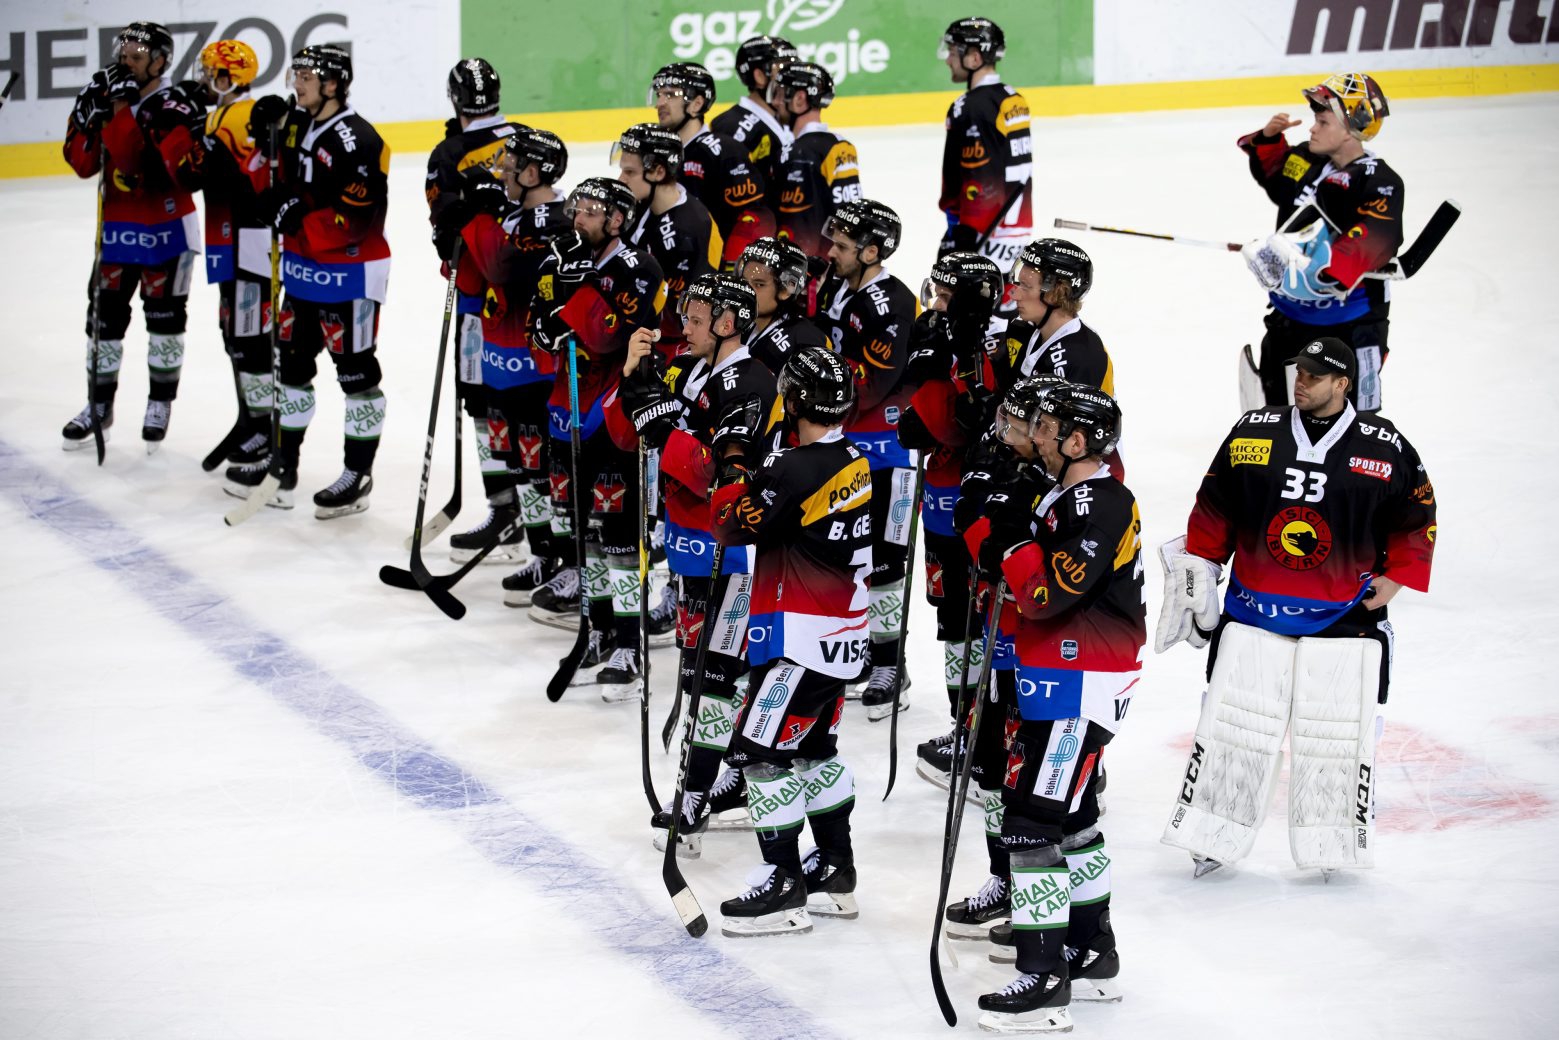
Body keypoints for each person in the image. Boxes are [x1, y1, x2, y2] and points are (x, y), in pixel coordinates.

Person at [1157, 336, 1435, 876]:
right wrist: (1202, 568)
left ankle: (1334, 835)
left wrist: (1397, 579)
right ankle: (1213, 832)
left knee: (1336, 732)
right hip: (1253, 608)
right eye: (1298, 372)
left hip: (1345, 615)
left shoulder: (1384, 446)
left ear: (1344, 384)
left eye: (1314, 375)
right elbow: (1214, 502)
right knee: (1232, 726)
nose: (1300, 382)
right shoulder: (1254, 430)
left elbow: (1417, 513)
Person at [962, 382, 1143, 1032]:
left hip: (1079, 681)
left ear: (1076, 441)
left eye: (1046, 426)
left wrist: (1010, 543)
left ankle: (1043, 978)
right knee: (1072, 819)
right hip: (1062, 676)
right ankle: (1090, 950)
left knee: (1030, 822)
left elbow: (1042, 592)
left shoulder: (1100, 501)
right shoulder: (1066, 493)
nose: (1033, 432)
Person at [710, 344, 871, 937]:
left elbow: (727, 521)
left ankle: (784, 884)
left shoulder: (792, 468)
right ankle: (834, 867)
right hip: (841, 640)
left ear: (795, 399)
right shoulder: (852, 460)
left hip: (798, 643)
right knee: (813, 751)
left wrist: (731, 465)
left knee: (758, 752)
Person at [618, 274, 774, 844]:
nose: (683, 327)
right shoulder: (688, 369)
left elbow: (713, 471)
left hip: (733, 555)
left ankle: (698, 791)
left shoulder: (753, 384)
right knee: (696, 667)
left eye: (696, 318)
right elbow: (631, 430)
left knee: (713, 675)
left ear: (728, 323)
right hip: (689, 548)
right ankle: (721, 775)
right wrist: (634, 380)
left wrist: (659, 421)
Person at [227, 45, 391, 518]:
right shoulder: (296, 123)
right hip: (300, 274)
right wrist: (263, 147)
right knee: (292, 370)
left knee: (358, 375)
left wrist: (297, 218)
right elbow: (270, 184)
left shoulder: (357, 139)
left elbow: (355, 221)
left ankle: (357, 476)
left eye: (307, 75)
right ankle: (284, 467)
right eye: (295, 72)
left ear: (334, 84)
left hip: (350, 278)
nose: (296, 82)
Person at [527, 177, 667, 687]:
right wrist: (550, 314)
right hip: (567, 403)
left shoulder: (639, 268)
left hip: (612, 411)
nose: (577, 218)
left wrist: (576, 299)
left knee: (618, 532)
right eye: (577, 208)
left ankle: (630, 643)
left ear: (616, 220)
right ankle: (600, 626)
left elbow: (613, 338)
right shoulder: (557, 258)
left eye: (590, 211)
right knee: (581, 525)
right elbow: (538, 327)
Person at [447, 125, 573, 602]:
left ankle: (567, 559)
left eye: (511, 162)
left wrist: (478, 219)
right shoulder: (516, 216)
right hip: (501, 363)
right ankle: (542, 554)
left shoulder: (556, 222)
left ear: (534, 171)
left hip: (537, 370)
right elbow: (478, 275)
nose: (501, 169)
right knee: (521, 467)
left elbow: (506, 271)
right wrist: (455, 235)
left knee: (545, 470)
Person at [892, 252, 1008, 772]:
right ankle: (966, 727)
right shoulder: (936, 334)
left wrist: (943, 399)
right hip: (940, 505)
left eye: (944, 295)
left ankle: (996, 736)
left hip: (979, 507)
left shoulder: (1003, 347)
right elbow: (920, 412)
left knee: (987, 621)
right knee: (952, 621)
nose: (934, 304)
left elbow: (972, 424)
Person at [61, 22, 200, 453]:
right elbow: (83, 164)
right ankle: (99, 405)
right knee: (103, 322)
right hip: (118, 231)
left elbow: (135, 162)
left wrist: (119, 108)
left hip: (167, 231)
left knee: (165, 323)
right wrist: (86, 117)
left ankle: (160, 403)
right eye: (125, 53)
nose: (127, 60)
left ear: (160, 62)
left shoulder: (175, 104)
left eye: (138, 55)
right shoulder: (107, 95)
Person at [140, 39, 272, 465]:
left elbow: (189, 174)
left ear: (227, 77)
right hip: (235, 240)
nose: (203, 79)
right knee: (237, 335)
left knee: (249, 339)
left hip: (246, 244)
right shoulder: (228, 114)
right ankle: (249, 417)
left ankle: (262, 425)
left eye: (210, 71)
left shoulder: (235, 117)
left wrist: (175, 130)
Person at [1238, 73, 1403, 410]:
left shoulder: (1378, 180)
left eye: (1323, 121)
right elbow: (1278, 180)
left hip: (1351, 325)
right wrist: (1269, 141)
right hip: (1291, 316)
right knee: (1281, 411)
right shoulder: (1307, 159)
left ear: (1351, 128)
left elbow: (1374, 235)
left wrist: (1321, 270)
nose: (1313, 128)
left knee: (1353, 417)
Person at [427, 58, 533, 563]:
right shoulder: (529, 137)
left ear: (454, 99)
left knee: (484, 405)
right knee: (531, 406)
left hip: (476, 298)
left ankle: (506, 510)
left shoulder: (448, 153)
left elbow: (443, 232)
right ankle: (537, 519)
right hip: (531, 297)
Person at [817, 199, 916, 718]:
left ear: (872, 251)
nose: (830, 252)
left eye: (841, 245)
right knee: (850, 559)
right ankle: (858, 652)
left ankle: (888, 663)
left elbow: (871, 386)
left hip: (891, 458)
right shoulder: (839, 286)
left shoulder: (892, 303)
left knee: (885, 563)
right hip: (848, 451)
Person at [613, 122, 721, 361]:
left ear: (659, 173)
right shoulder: (646, 204)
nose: (621, 179)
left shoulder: (687, 231)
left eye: (629, 172)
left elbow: (682, 318)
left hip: (672, 351)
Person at [648, 62, 772, 266]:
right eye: (659, 94)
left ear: (697, 104)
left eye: (670, 95)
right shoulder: (659, 155)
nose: (660, 103)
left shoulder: (724, 151)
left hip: (713, 274)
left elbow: (754, 217)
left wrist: (733, 268)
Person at [937, 18, 1033, 277]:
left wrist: (965, 237)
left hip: (982, 236)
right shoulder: (1014, 99)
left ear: (974, 58)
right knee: (1004, 312)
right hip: (1016, 234)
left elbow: (980, 179)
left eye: (953, 51)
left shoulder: (969, 107)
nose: (948, 59)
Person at [768, 62, 861, 267]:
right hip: (842, 264)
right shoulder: (842, 145)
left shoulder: (797, 152)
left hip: (812, 272)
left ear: (800, 99)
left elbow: (801, 228)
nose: (775, 102)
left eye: (781, 94)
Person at [1002, 239, 1113, 393]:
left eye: (1026, 287)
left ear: (1058, 293)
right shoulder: (1025, 329)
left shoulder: (1082, 360)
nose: (1014, 295)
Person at [710, 34, 796, 198]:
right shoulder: (732, 127)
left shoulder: (786, 121)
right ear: (759, 77)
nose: (791, 79)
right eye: (783, 70)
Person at [736, 236, 830, 375]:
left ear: (786, 290)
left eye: (759, 284)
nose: (746, 291)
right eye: (744, 281)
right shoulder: (742, 318)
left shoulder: (804, 340)